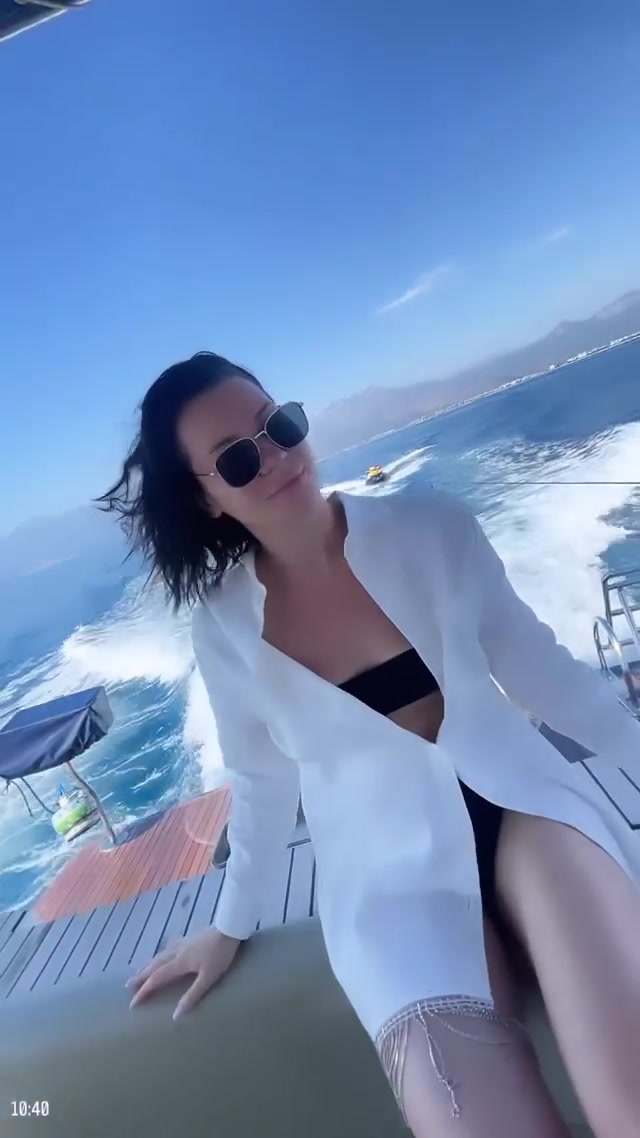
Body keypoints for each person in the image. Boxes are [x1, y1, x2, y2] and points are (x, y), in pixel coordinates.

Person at [99, 351, 640, 1138]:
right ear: (206, 498)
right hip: (387, 882)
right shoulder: (223, 629)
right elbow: (261, 784)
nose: (275, 456)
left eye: (278, 426)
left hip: (526, 812)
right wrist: (231, 924)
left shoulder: (433, 528)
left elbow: (547, 677)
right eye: (238, 459)